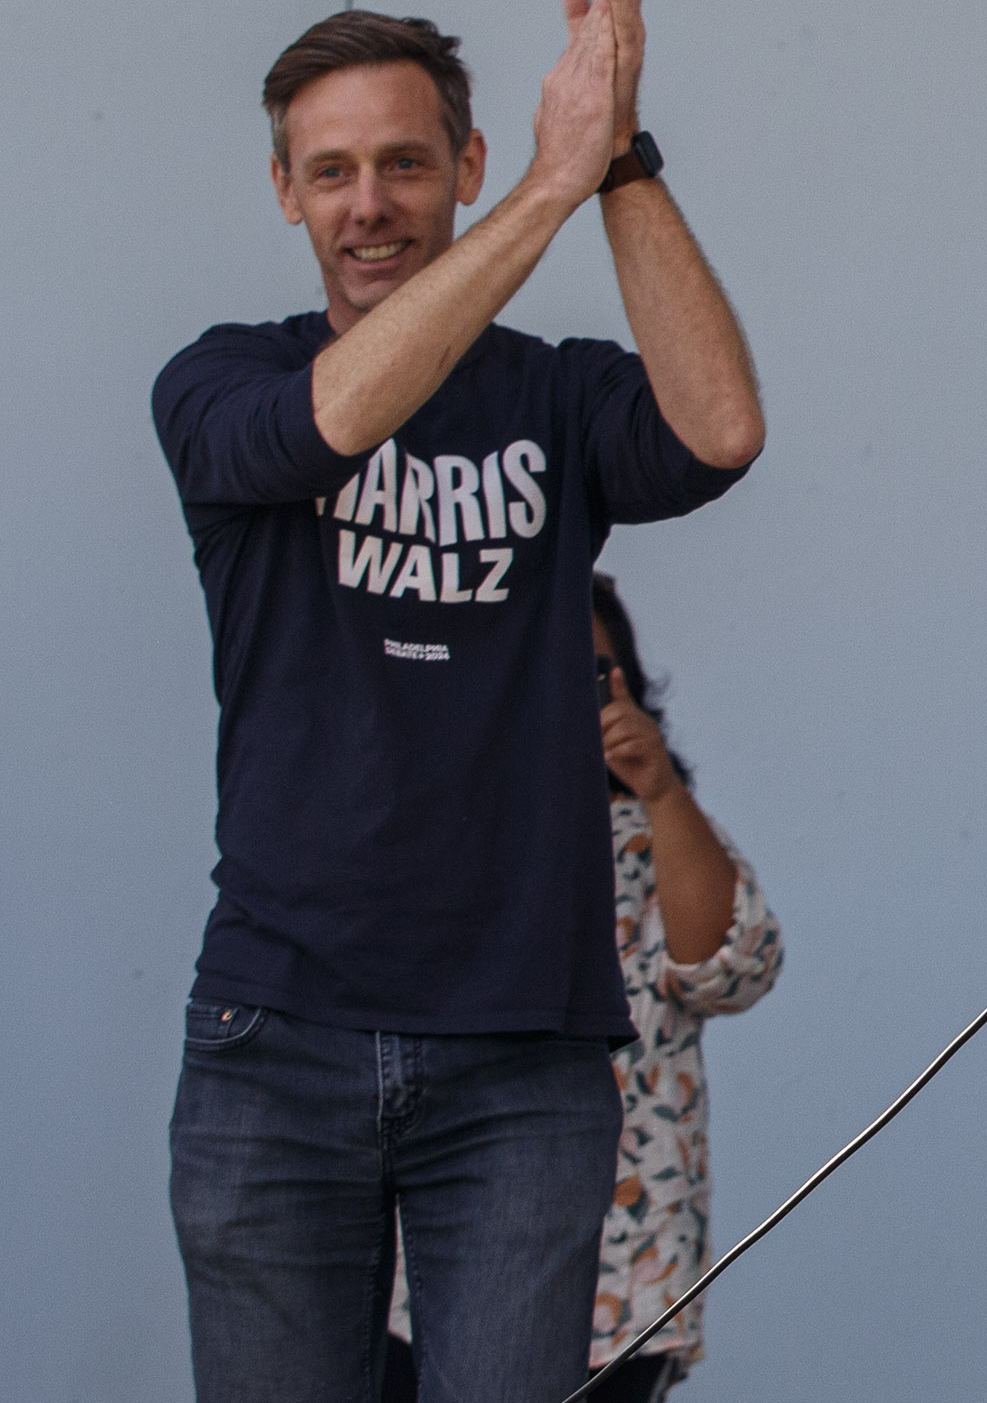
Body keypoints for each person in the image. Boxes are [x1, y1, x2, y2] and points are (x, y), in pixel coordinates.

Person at [154, 0, 768, 1403]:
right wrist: (552, 190)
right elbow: (335, 421)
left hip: (523, 1054)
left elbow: (718, 431)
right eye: (334, 171)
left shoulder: (554, 400)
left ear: (468, 166)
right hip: (274, 1036)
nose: (373, 203)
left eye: (408, 162)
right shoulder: (222, 380)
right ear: (288, 194)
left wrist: (616, 157)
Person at [386, 574, 785, 1402]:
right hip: (434, 1270)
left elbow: (735, 966)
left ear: (629, 689)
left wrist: (660, 790)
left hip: (621, 1280)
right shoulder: (433, 824)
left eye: (592, 672)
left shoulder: (654, 836)